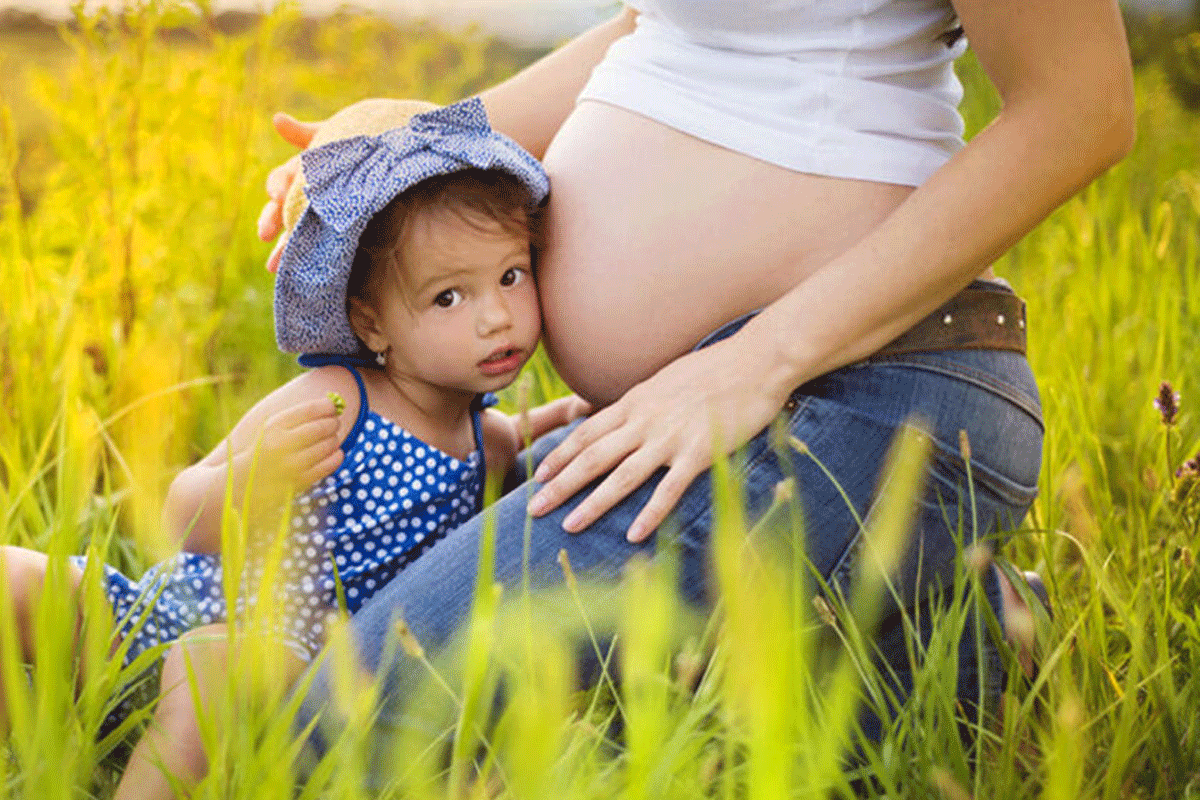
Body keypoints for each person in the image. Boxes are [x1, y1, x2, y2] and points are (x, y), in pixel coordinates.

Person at [258, 0, 1136, 764]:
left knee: (345, 726)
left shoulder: (780, 370)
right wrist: (411, 149)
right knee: (380, 594)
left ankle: (936, 624)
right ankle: (957, 648)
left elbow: (1081, 107)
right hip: (714, 390)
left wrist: (757, 363)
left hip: (860, 387)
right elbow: (662, 30)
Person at [1, 97, 588, 799]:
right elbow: (179, 513)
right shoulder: (338, 402)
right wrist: (253, 480)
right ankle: (34, 746)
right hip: (173, 617)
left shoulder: (481, 442)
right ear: (371, 324)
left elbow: (514, 436)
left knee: (218, 668)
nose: (496, 316)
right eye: (447, 299)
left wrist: (562, 414)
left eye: (510, 276)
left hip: (288, 673)